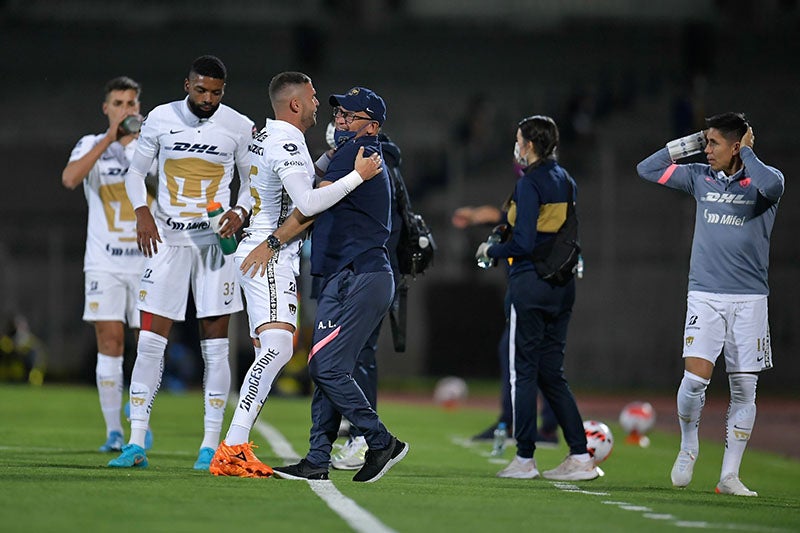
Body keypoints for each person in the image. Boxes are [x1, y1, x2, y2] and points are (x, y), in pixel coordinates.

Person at [208, 71, 382, 477]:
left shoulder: (264, 136)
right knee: (279, 348)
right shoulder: (286, 140)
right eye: (314, 96)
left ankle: (234, 445)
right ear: (295, 104)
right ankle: (232, 446)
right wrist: (358, 176)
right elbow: (305, 201)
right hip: (271, 254)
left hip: (260, 249)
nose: (320, 102)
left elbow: (267, 188)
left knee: (269, 349)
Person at [108, 55, 254, 470]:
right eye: (201, 90)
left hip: (214, 246)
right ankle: (136, 442)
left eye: (216, 92)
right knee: (151, 343)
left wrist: (239, 213)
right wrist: (141, 212)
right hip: (168, 243)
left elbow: (252, 182)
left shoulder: (238, 126)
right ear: (186, 84)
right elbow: (136, 174)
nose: (208, 98)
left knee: (216, 348)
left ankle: (210, 445)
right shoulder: (158, 118)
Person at [264, 87, 409, 482]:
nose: (340, 120)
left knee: (325, 366)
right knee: (329, 369)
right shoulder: (356, 154)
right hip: (349, 275)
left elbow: (307, 199)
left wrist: (272, 242)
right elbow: (314, 181)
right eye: (340, 113)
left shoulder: (357, 153)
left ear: (372, 126)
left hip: (356, 275)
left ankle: (381, 441)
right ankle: (316, 459)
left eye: (351, 115)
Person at [636, 112, 784, 497]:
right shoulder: (699, 176)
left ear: (737, 146)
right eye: (706, 142)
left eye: (714, 143)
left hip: (750, 298)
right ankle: (689, 443)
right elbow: (647, 168)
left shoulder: (764, 179)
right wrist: (693, 141)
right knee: (694, 381)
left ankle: (729, 475)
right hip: (706, 293)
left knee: (744, 391)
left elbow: (773, 185)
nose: (707, 149)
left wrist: (747, 153)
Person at [476, 115, 597, 480]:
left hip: (530, 285)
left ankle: (525, 457)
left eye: (518, 139)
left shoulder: (530, 182)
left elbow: (525, 243)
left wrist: (490, 250)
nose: (516, 145)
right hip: (561, 288)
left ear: (528, 144)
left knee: (522, 373)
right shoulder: (566, 179)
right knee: (551, 374)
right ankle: (579, 455)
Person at [61, 76, 154, 452]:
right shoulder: (90, 144)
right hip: (104, 262)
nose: (125, 110)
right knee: (110, 342)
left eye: (131, 103)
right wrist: (109, 140)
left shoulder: (151, 147)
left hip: (146, 261)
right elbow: (69, 179)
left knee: (146, 345)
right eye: (118, 103)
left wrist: (141, 147)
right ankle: (114, 430)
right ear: (106, 108)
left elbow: (165, 193)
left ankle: (141, 421)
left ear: (139, 107)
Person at [453, 203, 559, 447]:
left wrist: (491, 248)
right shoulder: (547, 192)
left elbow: (502, 218)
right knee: (542, 360)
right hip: (544, 288)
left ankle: (511, 424)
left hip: (530, 290)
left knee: (514, 354)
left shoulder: (531, 190)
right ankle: (546, 427)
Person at [330, 130, 405, 471]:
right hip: (360, 271)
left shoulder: (374, 163)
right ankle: (352, 432)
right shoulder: (371, 160)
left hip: (365, 273)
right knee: (343, 357)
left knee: (358, 356)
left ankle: (364, 436)